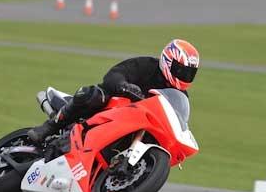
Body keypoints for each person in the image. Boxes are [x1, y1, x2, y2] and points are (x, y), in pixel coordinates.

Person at [28, 39, 199, 144]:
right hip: (115, 105)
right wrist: (124, 86)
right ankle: (49, 127)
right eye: (181, 70)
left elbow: (177, 121)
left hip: (138, 122)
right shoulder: (147, 65)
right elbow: (115, 74)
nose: (185, 76)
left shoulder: (180, 96)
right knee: (93, 95)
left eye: (189, 73)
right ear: (168, 61)